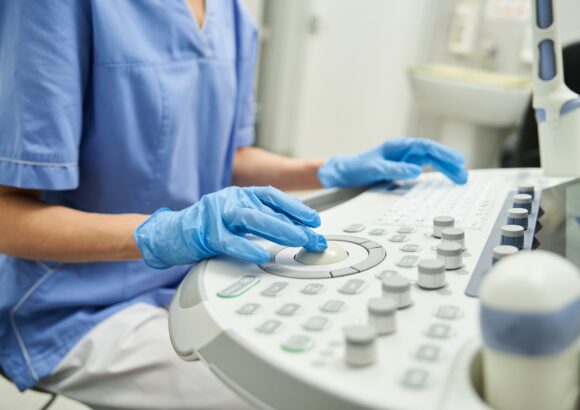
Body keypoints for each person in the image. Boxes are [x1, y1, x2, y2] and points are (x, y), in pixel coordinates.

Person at [0, 1, 467, 409]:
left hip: (195, 273)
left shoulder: (232, 14)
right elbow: (7, 212)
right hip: (73, 303)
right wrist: (163, 235)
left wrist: (329, 169)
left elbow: (230, 156)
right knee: (285, 393)